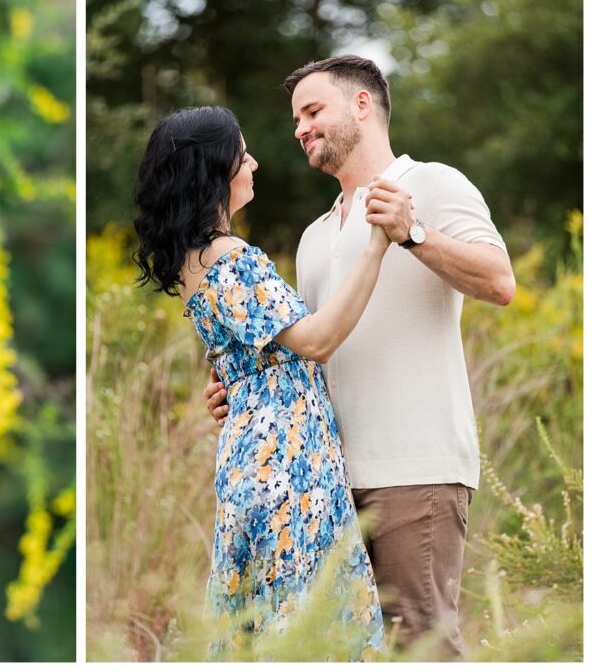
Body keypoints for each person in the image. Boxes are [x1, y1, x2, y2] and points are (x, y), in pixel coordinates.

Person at [203, 55, 515, 657]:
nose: (299, 129)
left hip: (411, 468)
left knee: (422, 647)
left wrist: (413, 233)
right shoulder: (315, 235)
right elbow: (311, 344)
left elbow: (500, 283)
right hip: (323, 484)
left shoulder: (433, 184)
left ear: (362, 105)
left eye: (313, 111)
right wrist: (243, 386)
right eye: (297, 118)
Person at [133, 106, 389, 659]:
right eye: (242, 153)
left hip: (252, 447)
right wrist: (378, 246)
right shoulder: (232, 257)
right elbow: (316, 341)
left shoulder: (193, 259)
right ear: (217, 171)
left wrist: (233, 384)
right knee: (305, 612)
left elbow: (240, 355)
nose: (253, 162)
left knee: (269, 605)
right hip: (287, 454)